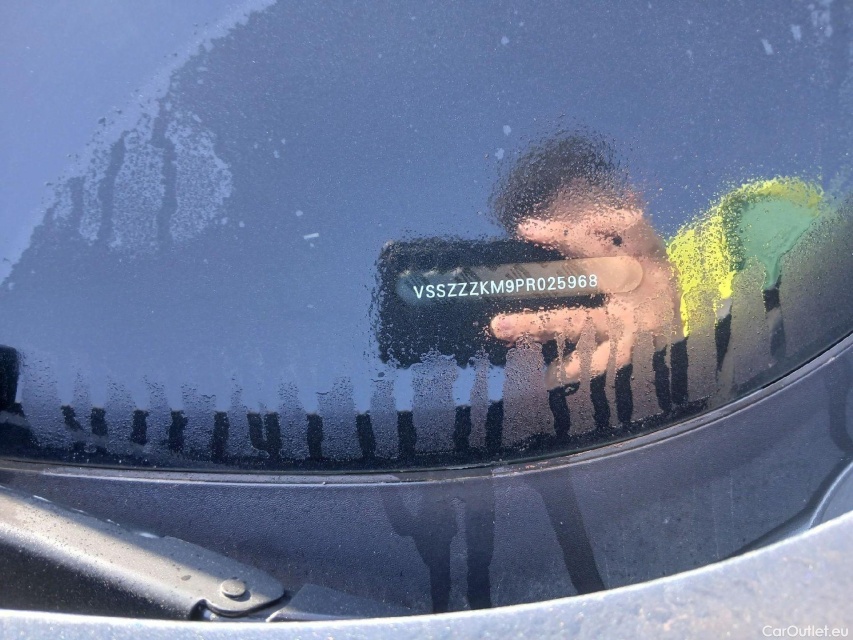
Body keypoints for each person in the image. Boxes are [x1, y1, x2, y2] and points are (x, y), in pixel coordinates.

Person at [488, 134, 683, 397]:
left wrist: (669, 333)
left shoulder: (729, 236)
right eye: (555, 261)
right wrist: (560, 399)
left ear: (630, 199)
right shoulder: (537, 375)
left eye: (604, 237)